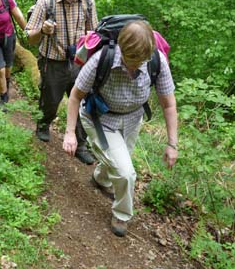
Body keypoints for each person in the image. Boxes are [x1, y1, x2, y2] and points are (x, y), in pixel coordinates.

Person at [62, 20, 179, 237]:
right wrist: (70, 132)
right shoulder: (101, 59)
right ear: (122, 48)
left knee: (117, 159)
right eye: (130, 60)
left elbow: (169, 104)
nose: (134, 67)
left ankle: (100, 178)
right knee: (126, 172)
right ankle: (122, 214)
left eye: (140, 61)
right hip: (100, 119)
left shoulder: (156, 61)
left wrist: (172, 143)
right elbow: (76, 96)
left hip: (133, 119)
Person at [24, 0, 98, 165]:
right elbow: (29, 37)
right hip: (52, 62)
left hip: (79, 63)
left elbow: (93, 35)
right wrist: (42, 31)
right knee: (51, 101)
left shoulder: (88, 2)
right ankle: (44, 123)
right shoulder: (47, 1)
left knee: (83, 104)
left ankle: (81, 144)